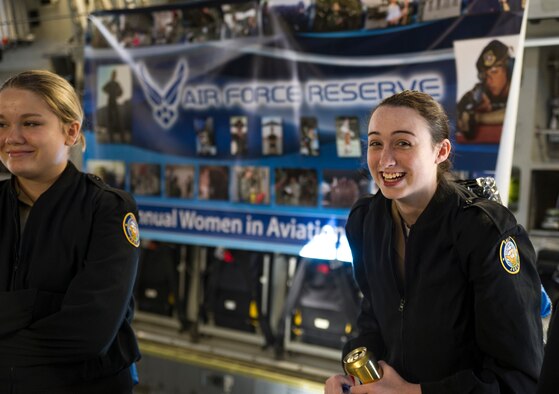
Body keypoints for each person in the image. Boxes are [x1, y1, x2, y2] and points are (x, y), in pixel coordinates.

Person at [324, 90, 543, 393]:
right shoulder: (366, 221)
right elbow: (373, 318)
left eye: (403, 143)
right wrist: (354, 373)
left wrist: (413, 392)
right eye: (376, 143)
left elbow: (519, 379)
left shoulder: (484, 232)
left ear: (440, 152)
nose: (385, 159)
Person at [0, 70, 141, 393]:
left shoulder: (107, 209)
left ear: (71, 131)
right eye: (1, 123)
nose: (12, 137)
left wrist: (16, 309)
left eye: (31, 123)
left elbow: (88, 334)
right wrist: (40, 305)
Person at [456, 39, 513, 143]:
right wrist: (468, 113)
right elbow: (461, 114)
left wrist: (480, 117)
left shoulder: (519, 87)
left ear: (508, 70)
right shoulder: (481, 91)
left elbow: (515, 112)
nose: (489, 80)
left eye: (494, 72)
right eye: (485, 75)